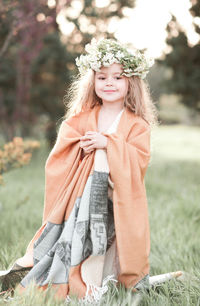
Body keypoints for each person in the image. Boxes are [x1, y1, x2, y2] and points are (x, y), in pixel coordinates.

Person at [0, 38, 158, 301]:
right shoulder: (81, 119)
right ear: (92, 82)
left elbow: (138, 159)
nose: (109, 83)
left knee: (110, 245)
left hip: (114, 202)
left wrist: (108, 144)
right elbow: (62, 152)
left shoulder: (137, 125)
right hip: (79, 202)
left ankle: (104, 278)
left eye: (118, 77)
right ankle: (80, 279)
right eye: (102, 77)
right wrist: (85, 149)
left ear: (131, 82)